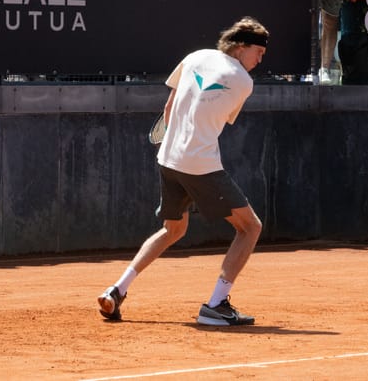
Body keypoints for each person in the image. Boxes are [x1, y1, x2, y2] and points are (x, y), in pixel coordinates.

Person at [97, 17, 268, 326]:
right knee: (250, 228)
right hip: (200, 164)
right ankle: (216, 305)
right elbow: (221, 119)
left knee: (172, 229)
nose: (260, 59)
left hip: (169, 159)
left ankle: (116, 291)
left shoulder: (195, 57)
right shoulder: (243, 81)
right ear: (241, 48)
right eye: (259, 51)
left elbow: (168, 109)